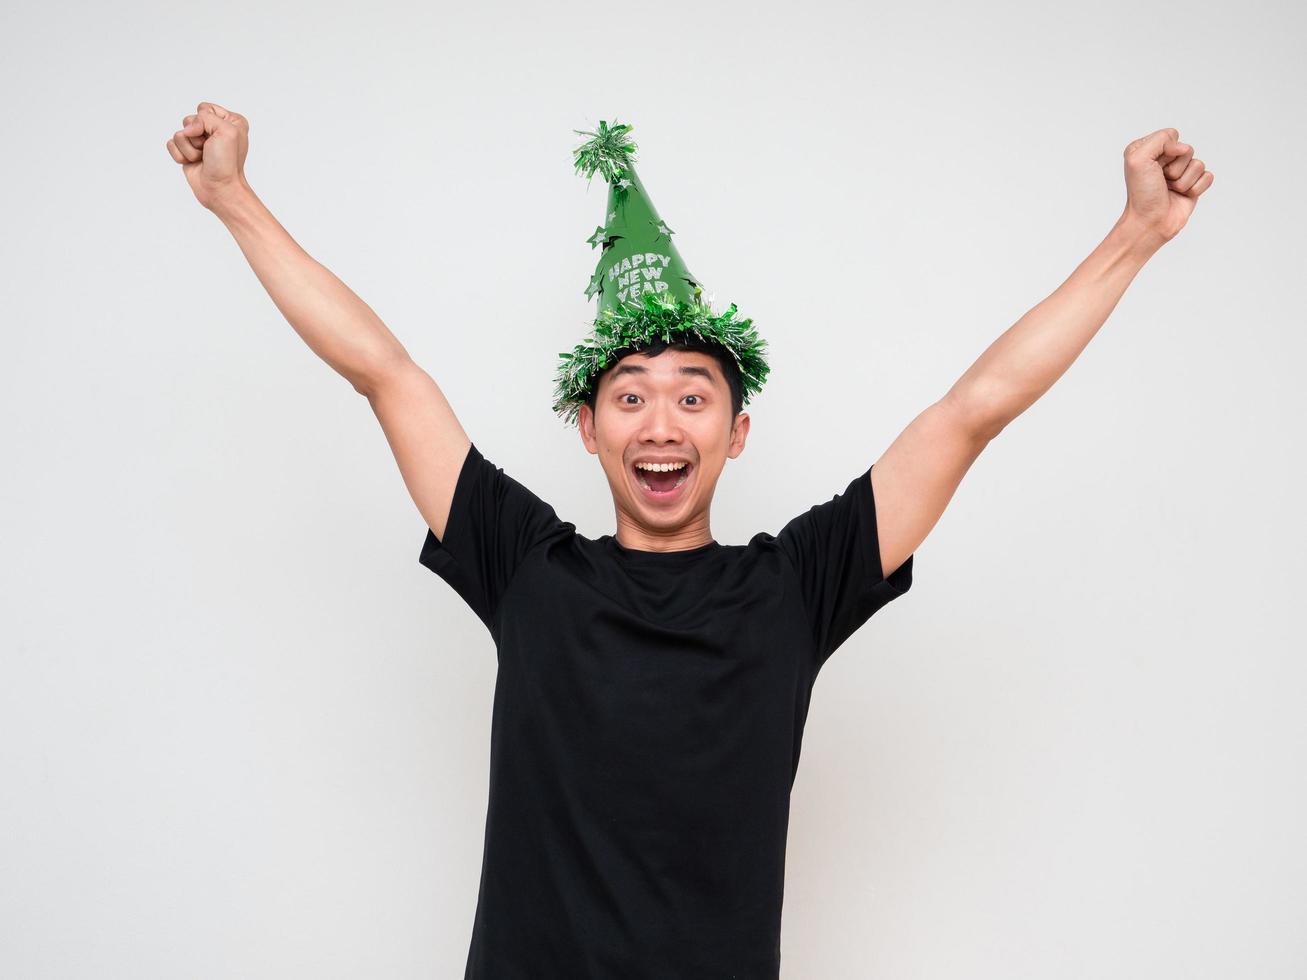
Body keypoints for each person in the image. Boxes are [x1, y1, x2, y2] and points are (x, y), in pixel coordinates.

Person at [166, 104, 1213, 979]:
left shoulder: (796, 584)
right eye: (628, 396)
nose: (659, 422)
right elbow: (384, 371)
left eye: (690, 396)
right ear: (589, 427)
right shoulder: (525, 565)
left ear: (734, 429)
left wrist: (1133, 233)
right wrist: (232, 198)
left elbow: (970, 410)